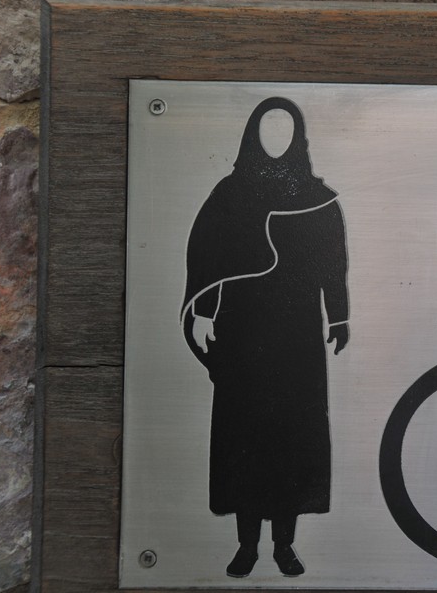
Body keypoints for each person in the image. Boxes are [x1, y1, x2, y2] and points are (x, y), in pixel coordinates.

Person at [181, 97, 349, 578]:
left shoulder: (318, 197)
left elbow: (332, 264)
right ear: (252, 133)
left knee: (291, 435)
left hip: (297, 334)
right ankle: (247, 545)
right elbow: (210, 255)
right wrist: (205, 312)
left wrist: (338, 319)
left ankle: (285, 545)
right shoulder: (230, 193)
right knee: (245, 434)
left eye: (284, 129)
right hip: (243, 327)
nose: (276, 138)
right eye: (268, 128)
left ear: (297, 137)